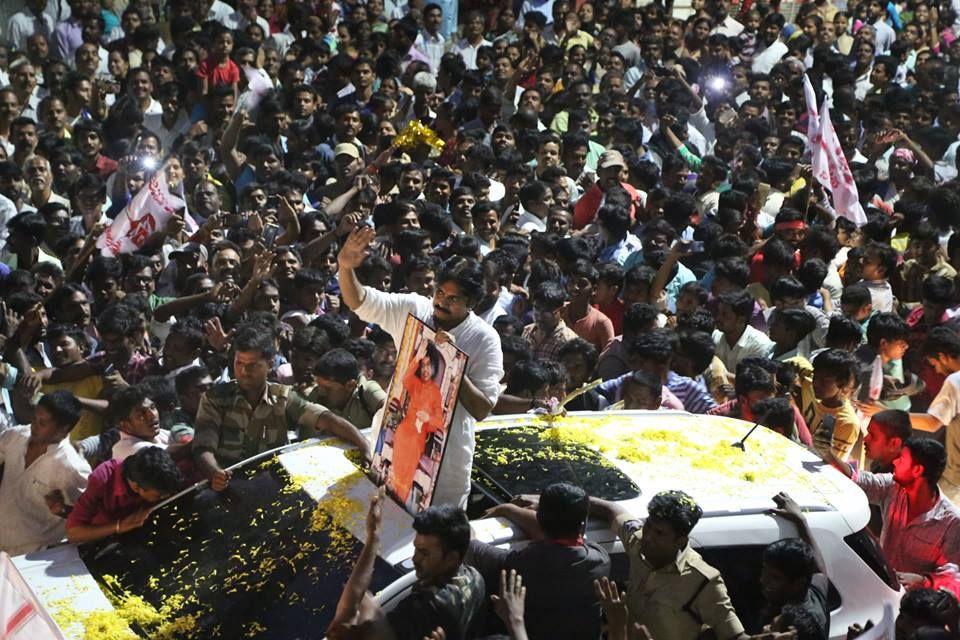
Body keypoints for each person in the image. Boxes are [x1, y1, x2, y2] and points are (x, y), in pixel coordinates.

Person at [338, 227, 503, 507]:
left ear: (472, 303)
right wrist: (344, 266)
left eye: (453, 299)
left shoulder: (484, 339)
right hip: (392, 445)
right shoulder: (414, 308)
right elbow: (359, 301)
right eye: (440, 293)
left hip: (442, 467)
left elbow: (482, 409)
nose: (441, 302)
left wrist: (451, 359)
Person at [193, 324, 370, 491]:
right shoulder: (216, 398)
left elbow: (327, 420)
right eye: (239, 363)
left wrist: (363, 445)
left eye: (252, 365)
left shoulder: (283, 397)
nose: (244, 371)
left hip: (272, 489)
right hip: (227, 490)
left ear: (270, 364)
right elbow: (203, 448)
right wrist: (215, 473)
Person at [588, 490, 747, 640]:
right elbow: (612, 511)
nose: (648, 536)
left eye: (659, 533)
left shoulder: (704, 581)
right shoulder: (637, 542)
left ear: (680, 541)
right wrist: (573, 500)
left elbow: (734, 635)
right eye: (648, 525)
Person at [328, 490, 485, 639]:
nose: (415, 559)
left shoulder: (422, 609)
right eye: (416, 548)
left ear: (451, 558)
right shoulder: (477, 579)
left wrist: (373, 537)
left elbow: (343, 626)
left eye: (425, 553)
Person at [467, 483, 612, 640]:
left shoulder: (522, 564)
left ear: (540, 518)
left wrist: (507, 509)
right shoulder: (600, 561)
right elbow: (562, 540)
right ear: (582, 524)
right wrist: (510, 509)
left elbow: (467, 541)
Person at [833, 437, 960, 584]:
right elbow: (862, 480)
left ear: (917, 470)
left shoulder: (951, 523)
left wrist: (923, 581)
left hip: (909, 602)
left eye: (901, 459)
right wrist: (829, 455)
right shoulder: (893, 487)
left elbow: (953, 576)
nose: (895, 462)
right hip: (879, 582)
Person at [0, 391, 91, 555]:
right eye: (35, 418)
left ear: (62, 429)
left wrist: (62, 510)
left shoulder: (72, 468)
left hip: (27, 554)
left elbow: (87, 519)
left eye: (42, 423)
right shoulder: (17, 435)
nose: (34, 426)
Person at [65, 446, 184, 544]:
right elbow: (74, 533)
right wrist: (119, 526)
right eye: (159, 496)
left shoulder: (158, 474)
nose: (164, 498)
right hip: (104, 541)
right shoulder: (103, 479)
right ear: (137, 488)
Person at [762, 492, 831, 640]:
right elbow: (821, 574)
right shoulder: (814, 595)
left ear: (798, 584)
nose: (763, 580)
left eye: (775, 577)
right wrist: (801, 521)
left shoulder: (796, 625)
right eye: (765, 572)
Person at [386, 341, 445, 505]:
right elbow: (406, 380)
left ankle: (398, 505)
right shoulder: (416, 384)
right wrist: (416, 358)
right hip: (404, 431)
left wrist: (428, 419)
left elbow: (439, 422)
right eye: (423, 365)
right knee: (395, 472)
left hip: (417, 439)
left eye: (429, 365)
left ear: (434, 368)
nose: (425, 369)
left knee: (405, 478)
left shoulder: (435, 392)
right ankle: (389, 499)